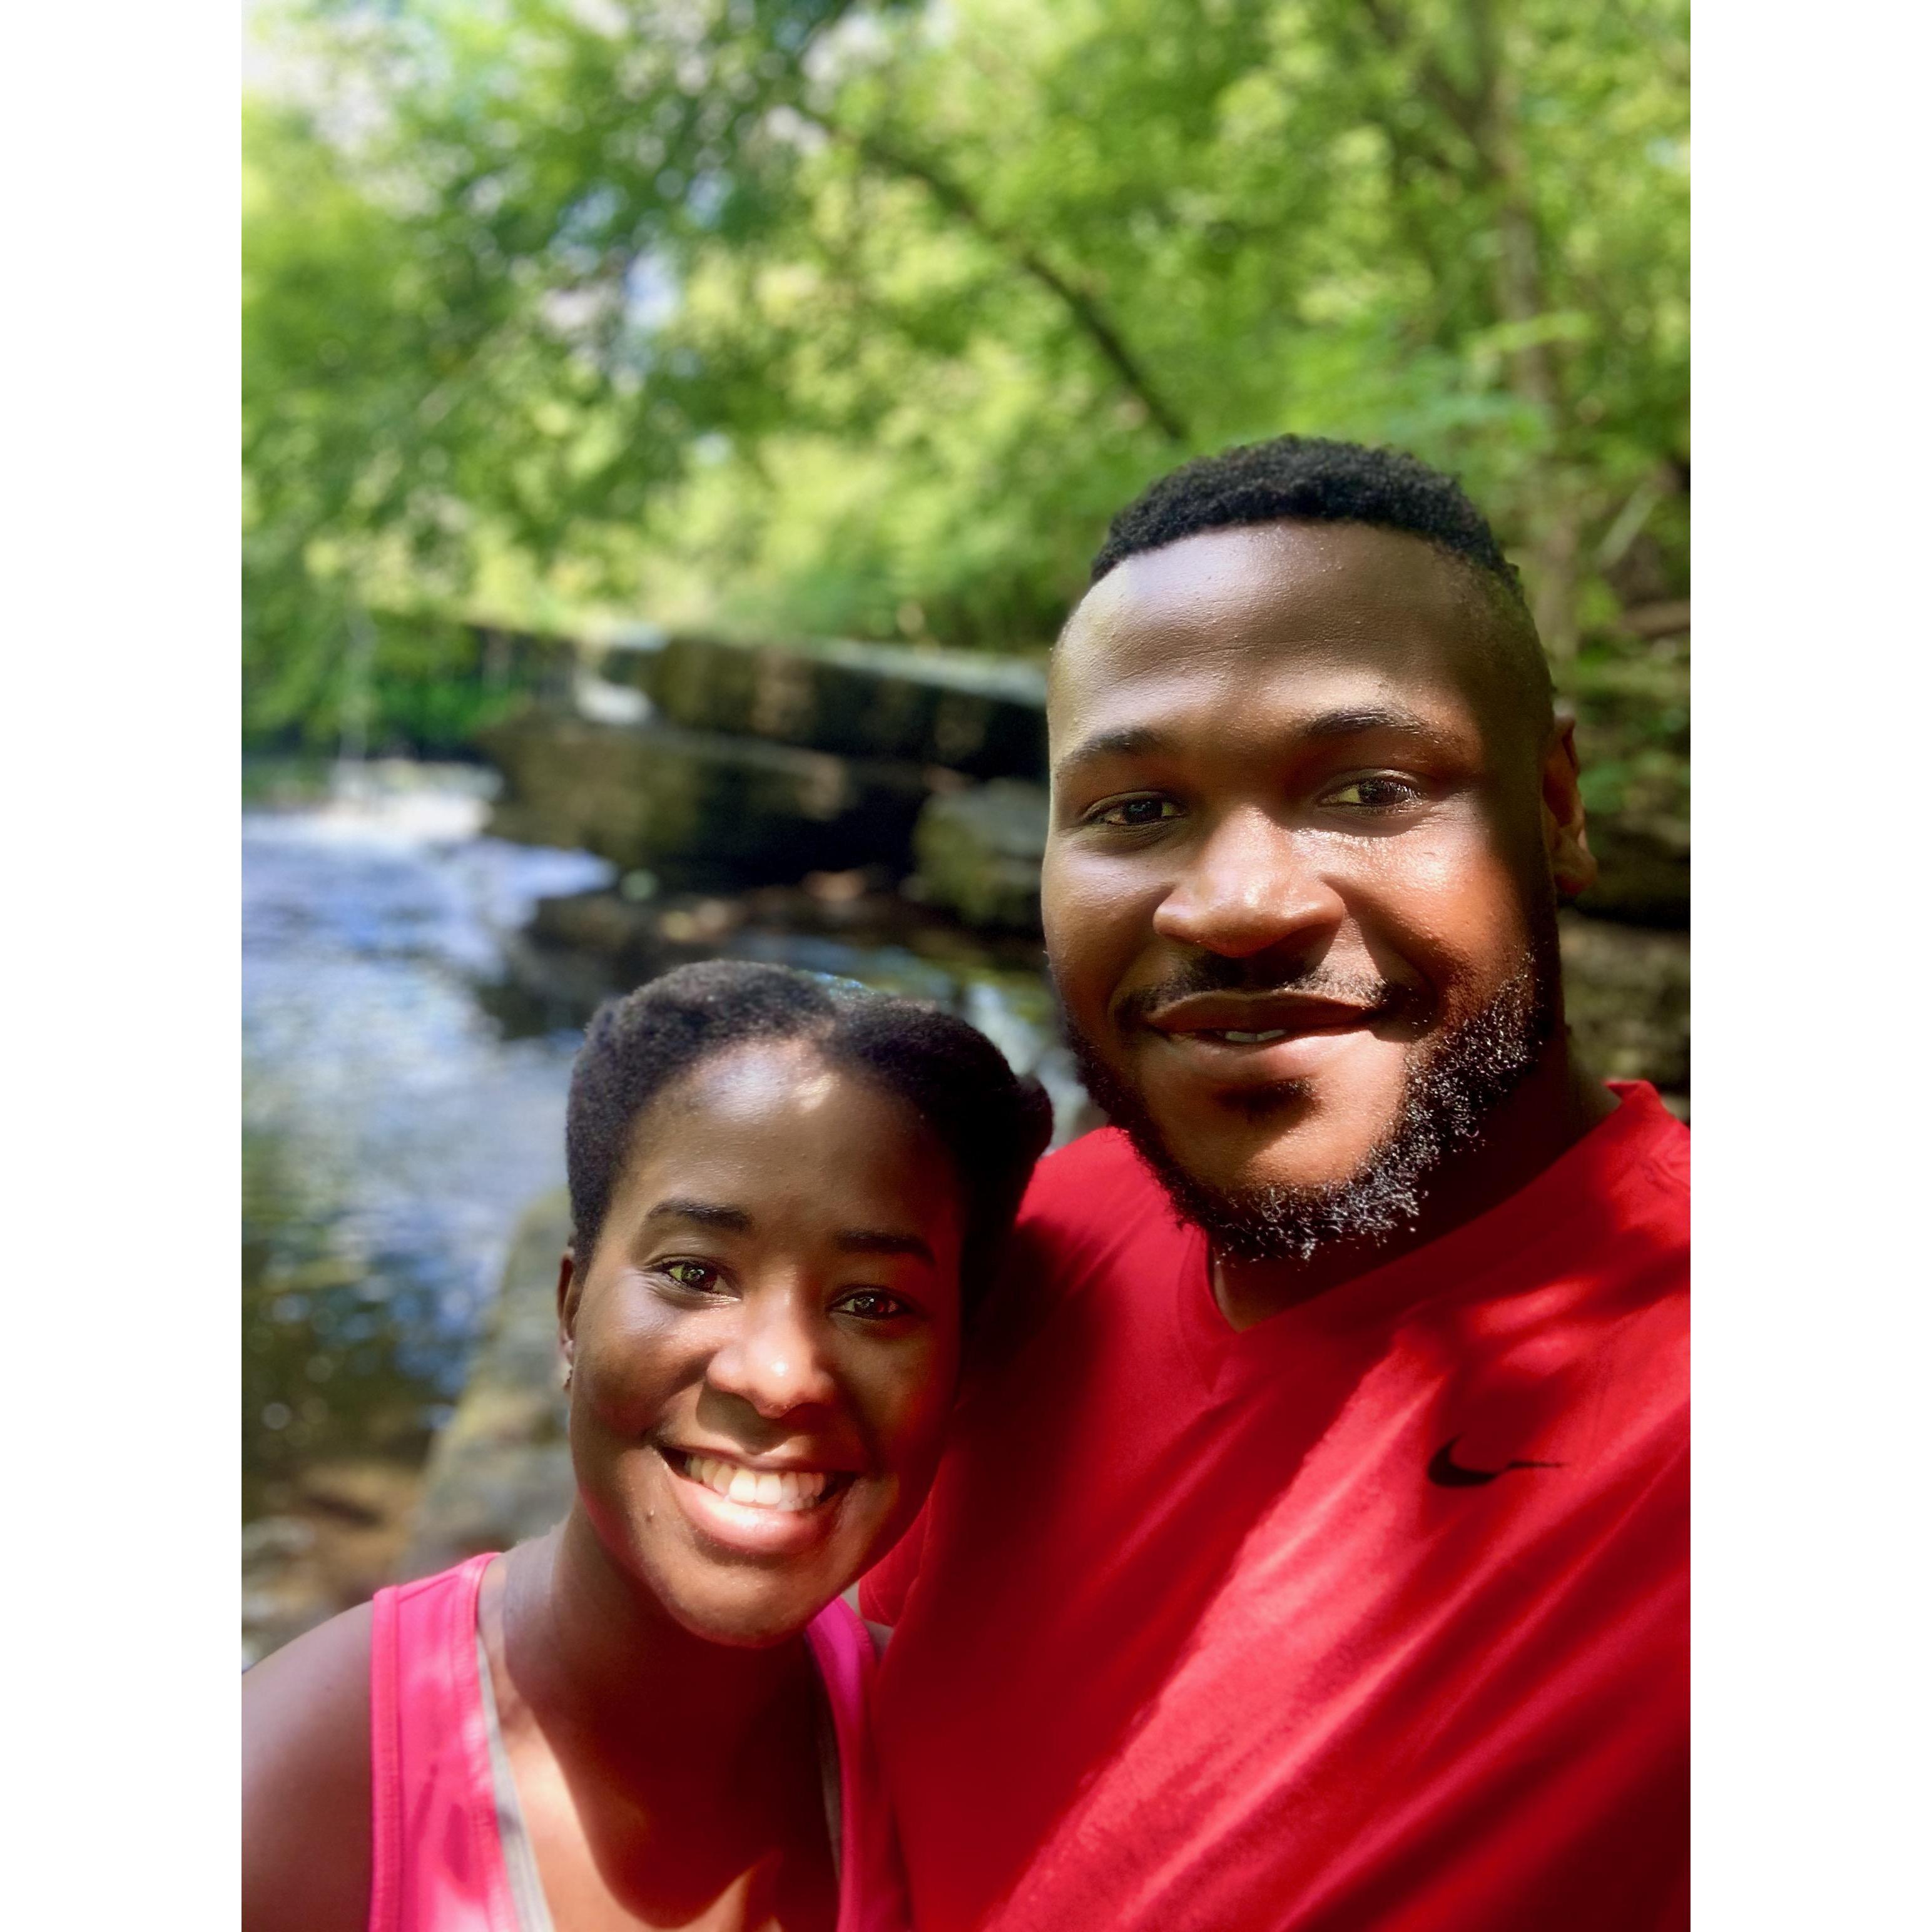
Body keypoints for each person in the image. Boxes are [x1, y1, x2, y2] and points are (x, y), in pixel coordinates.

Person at [860, 436, 1690, 1931]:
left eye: (1368, 787)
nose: (1238, 904)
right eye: (1130, 810)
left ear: (1554, 805)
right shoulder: (1040, 1240)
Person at [243, 960, 1052, 1932]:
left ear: (962, 1366)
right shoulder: (288, 1798)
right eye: (694, 1272)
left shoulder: (947, 1762)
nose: (779, 1375)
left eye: (875, 1303)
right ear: (571, 1309)